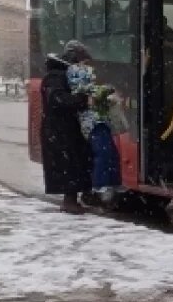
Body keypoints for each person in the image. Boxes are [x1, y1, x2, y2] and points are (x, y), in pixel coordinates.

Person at [40, 41, 93, 214]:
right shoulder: (55, 76)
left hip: (66, 127)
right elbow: (58, 99)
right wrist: (82, 100)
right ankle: (69, 202)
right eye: (81, 61)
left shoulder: (63, 75)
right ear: (72, 58)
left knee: (75, 162)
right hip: (58, 129)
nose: (82, 65)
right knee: (69, 164)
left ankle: (74, 199)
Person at [65, 45, 122, 201]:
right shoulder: (76, 72)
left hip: (99, 119)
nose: (88, 65)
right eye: (85, 60)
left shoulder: (80, 72)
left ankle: (112, 183)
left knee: (111, 152)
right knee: (103, 152)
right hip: (92, 121)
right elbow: (86, 90)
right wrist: (106, 90)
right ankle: (100, 186)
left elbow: (91, 91)